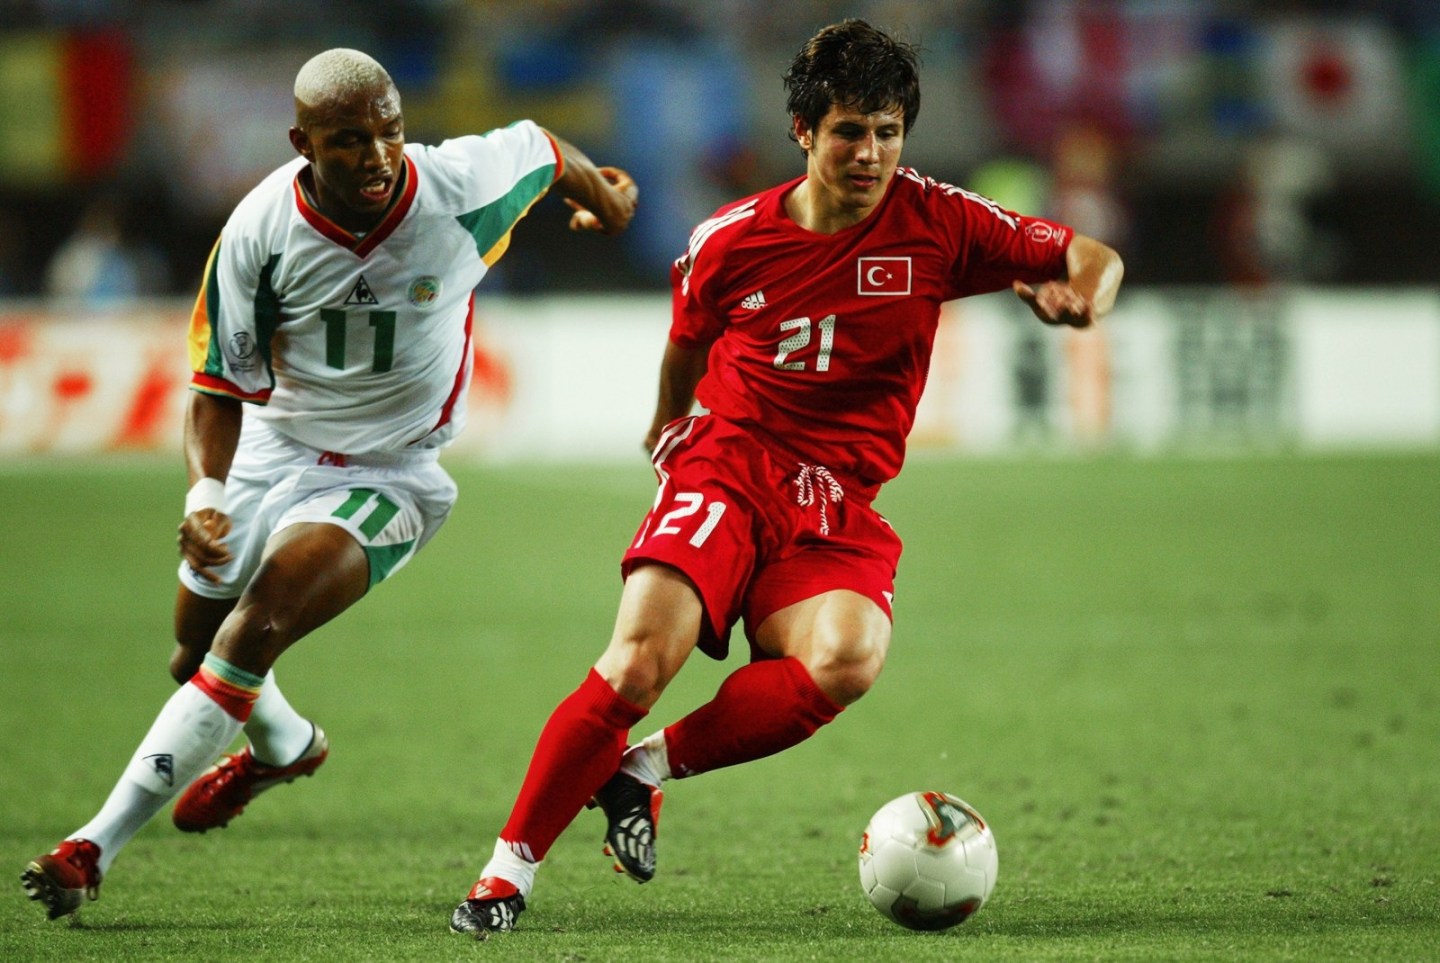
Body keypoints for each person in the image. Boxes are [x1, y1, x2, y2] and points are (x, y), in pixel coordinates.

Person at [450, 18, 1122, 938]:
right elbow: (686, 344)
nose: (871, 153)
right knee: (640, 659)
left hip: (836, 501)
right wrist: (665, 427)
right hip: (729, 466)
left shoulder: (940, 220)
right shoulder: (729, 240)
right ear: (805, 132)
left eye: (887, 131)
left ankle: (641, 769)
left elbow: (1091, 255)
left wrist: (1082, 296)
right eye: (849, 131)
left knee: (847, 658)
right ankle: (506, 873)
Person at [21, 47, 637, 922]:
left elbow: (540, 147)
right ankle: (285, 746)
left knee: (255, 624)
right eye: (349, 140)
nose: (378, 155)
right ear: (302, 143)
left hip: (391, 473)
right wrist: (205, 497)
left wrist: (604, 201)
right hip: (274, 448)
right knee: (194, 656)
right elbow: (216, 385)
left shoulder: (457, 187)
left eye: (390, 131)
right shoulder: (259, 231)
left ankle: (91, 847)